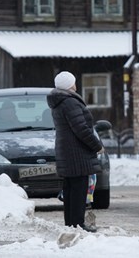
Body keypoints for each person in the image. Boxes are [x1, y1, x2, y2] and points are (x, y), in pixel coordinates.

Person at [46, 71, 103, 233]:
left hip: (67, 150)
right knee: (78, 189)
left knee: (70, 189)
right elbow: (81, 129)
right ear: (71, 85)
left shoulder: (60, 102)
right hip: (77, 152)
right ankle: (77, 224)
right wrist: (97, 145)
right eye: (74, 82)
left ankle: (71, 223)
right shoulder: (70, 102)